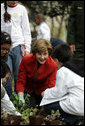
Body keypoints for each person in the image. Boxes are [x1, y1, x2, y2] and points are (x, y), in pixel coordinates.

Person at [40, 44, 84, 125]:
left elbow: (58, 92)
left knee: (48, 108)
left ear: (56, 60)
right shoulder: (79, 65)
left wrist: (45, 93)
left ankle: (73, 120)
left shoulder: (63, 70)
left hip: (77, 105)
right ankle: (78, 119)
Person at [1, 1, 32, 95]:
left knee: (20, 75)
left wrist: (27, 48)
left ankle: (20, 100)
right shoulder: (1, 8)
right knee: (7, 76)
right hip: (4, 48)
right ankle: (8, 100)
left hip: (18, 46)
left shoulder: (22, 9)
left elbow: (26, 30)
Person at [16, 39, 57, 108]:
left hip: (43, 92)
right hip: (29, 90)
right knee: (27, 107)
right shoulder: (26, 60)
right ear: (35, 53)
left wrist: (46, 99)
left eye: (45, 54)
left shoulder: (52, 65)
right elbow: (21, 80)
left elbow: (51, 85)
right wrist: (20, 96)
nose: (42, 57)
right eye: (39, 54)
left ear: (49, 54)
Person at [1, 31, 13, 96]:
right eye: (3, 49)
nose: (5, 52)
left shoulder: (4, 55)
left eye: (7, 50)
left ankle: (9, 97)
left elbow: (8, 71)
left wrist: (4, 77)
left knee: (8, 79)